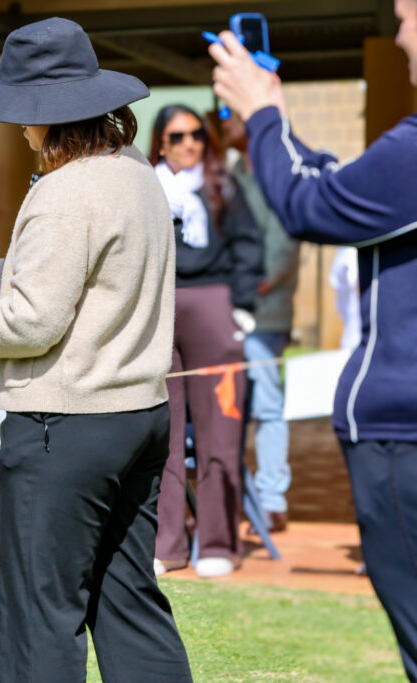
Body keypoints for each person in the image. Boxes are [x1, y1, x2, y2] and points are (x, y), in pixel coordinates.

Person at [0, 18, 191, 681]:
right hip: (139, 413)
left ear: (48, 113)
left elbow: (30, 325)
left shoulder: (62, 193)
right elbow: (89, 281)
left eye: (23, 111)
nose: (18, 126)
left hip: (63, 428)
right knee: (130, 602)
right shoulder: (134, 170)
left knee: (39, 616)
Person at [210, 5, 417, 675]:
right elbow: (344, 193)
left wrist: (264, 113)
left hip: (402, 433)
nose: (400, 36)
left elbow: (314, 208)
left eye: (406, 16)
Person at [149, 104, 264, 578]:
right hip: (157, 310)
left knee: (220, 428)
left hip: (214, 305)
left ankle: (218, 541)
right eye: (177, 136)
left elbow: (248, 245)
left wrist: (241, 306)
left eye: (196, 134)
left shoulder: (222, 184)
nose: (189, 143)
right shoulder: (143, 187)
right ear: (160, 143)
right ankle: (167, 545)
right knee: (162, 433)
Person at [224, 112, 300, 533]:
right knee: (229, 406)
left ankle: (272, 500)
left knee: (267, 406)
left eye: (228, 117)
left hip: (264, 315)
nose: (223, 125)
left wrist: (251, 289)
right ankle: (239, 496)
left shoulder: (277, 173)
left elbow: (283, 251)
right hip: (230, 310)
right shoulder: (233, 172)